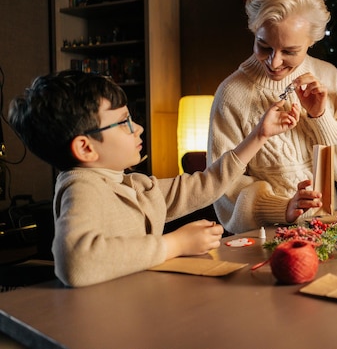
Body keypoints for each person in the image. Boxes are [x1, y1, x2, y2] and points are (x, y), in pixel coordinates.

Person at [8, 70, 298, 287]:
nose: (139, 128)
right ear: (86, 148)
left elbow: (204, 185)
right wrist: (175, 244)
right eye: (124, 123)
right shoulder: (81, 187)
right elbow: (76, 262)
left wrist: (259, 136)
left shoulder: (130, 184)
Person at [208, 0, 337, 234]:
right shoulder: (231, 93)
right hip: (263, 235)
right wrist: (282, 208)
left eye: (290, 51)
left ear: (312, 40)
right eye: (264, 46)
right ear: (254, 30)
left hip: (327, 230)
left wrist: (320, 117)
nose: (274, 62)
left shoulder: (327, 76)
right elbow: (221, 186)